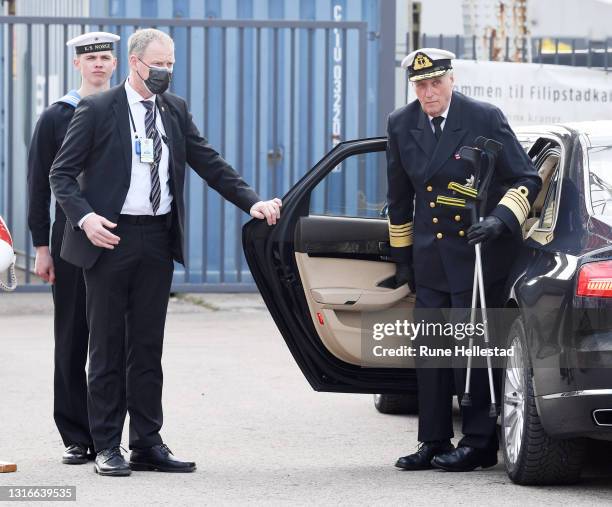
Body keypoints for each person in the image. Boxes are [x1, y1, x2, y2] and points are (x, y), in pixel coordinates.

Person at [49, 28, 282, 477]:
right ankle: (106, 445)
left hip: (157, 239)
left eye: (172, 64)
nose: (167, 72)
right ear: (136, 63)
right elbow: (61, 174)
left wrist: (251, 201)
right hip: (110, 238)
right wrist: (85, 218)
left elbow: (208, 161)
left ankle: (147, 442)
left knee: (147, 346)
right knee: (107, 346)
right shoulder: (97, 109)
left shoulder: (174, 109)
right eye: (160, 64)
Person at [387, 48, 541, 472]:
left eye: (436, 83)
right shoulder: (402, 124)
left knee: (473, 350)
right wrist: (402, 259)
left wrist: (500, 220)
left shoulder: (483, 117)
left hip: (478, 255)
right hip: (431, 256)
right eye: (421, 85)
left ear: (451, 80)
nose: (428, 92)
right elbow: (398, 198)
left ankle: (478, 442)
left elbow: (526, 177)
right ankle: (433, 440)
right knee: (431, 351)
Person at [27, 31, 119, 465]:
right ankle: (75, 434)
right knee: (72, 337)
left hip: (120, 238)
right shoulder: (56, 116)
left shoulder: (127, 111)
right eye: (91, 58)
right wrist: (41, 247)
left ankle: (111, 435)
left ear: (116, 64)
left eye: (105, 57)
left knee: (114, 340)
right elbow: (38, 187)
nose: (98, 64)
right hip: (70, 242)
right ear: (77, 65)